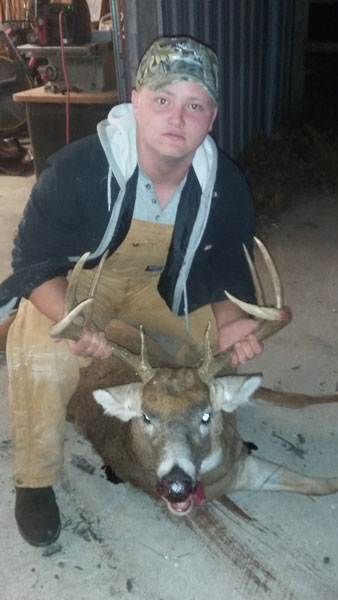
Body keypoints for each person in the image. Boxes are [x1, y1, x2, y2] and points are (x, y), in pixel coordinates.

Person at [0, 36, 262, 547]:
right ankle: (35, 480)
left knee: (225, 344)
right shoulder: (78, 169)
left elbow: (227, 270)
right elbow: (31, 262)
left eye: (194, 105)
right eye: (163, 100)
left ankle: (194, 433)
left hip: (164, 285)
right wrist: (74, 321)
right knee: (42, 351)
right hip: (81, 284)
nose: (177, 118)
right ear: (136, 101)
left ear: (212, 116)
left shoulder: (224, 185)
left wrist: (231, 322)